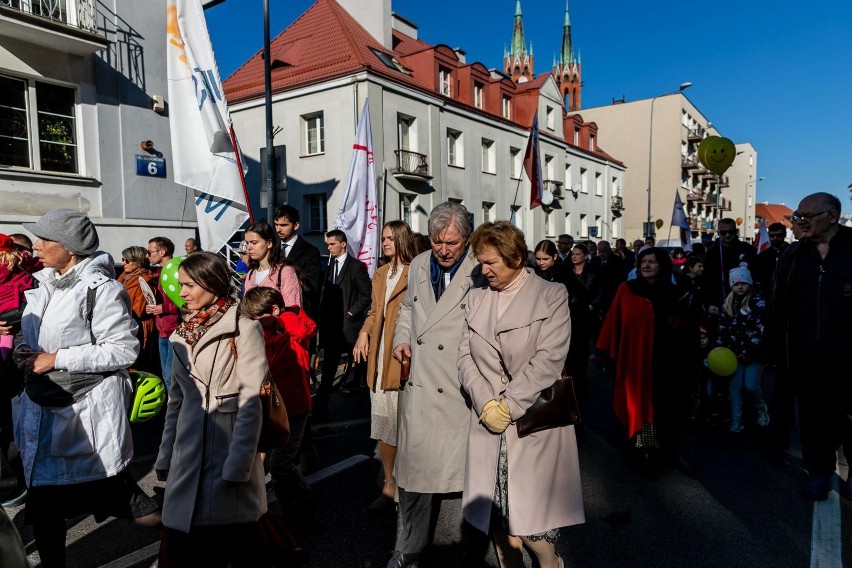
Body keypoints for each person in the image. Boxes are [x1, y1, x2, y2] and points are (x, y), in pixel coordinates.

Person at [14, 208, 159, 567]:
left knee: (126, 503)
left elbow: (124, 348)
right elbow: (38, 337)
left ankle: (199, 537)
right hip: (47, 410)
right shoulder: (45, 283)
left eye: (45, 239)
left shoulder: (102, 288)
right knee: (45, 512)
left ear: (70, 248)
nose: (37, 245)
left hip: (85, 421)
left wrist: (56, 358)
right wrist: (23, 350)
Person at [458, 221, 584, 568]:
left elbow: (550, 359)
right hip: (488, 421)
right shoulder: (477, 295)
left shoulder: (551, 294)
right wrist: (486, 402)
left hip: (532, 419)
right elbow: (465, 354)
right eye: (480, 262)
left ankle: (551, 564)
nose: (483, 271)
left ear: (515, 258)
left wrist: (509, 405)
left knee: (532, 524)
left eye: (490, 263)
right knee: (495, 514)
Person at [387, 202, 486, 568]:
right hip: (421, 386)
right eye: (437, 241)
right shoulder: (418, 264)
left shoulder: (481, 267)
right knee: (413, 476)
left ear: (467, 239)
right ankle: (409, 548)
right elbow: (409, 310)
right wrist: (403, 339)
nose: (443, 250)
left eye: (452, 243)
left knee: (464, 481)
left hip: (459, 387)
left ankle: (468, 553)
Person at [154, 252, 269, 566]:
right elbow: (175, 402)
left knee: (235, 548)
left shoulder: (244, 328)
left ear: (212, 283)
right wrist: (165, 456)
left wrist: (238, 466)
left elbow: (250, 402)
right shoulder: (182, 333)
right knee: (184, 549)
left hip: (227, 454)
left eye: (189, 285)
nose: (183, 293)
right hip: (188, 456)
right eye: (181, 285)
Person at [767, 192, 852, 501]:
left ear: (832, 216)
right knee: (814, 418)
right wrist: (774, 348)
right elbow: (779, 305)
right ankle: (818, 472)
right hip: (807, 354)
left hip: (846, 355)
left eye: (807, 217)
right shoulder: (793, 256)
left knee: (848, 416)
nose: (800, 222)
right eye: (798, 217)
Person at [595, 247, 692, 471]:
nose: (646, 265)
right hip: (634, 362)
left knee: (664, 408)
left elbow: (687, 326)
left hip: (665, 362)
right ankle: (644, 451)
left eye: (652, 261)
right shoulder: (627, 290)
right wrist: (602, 353)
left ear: (663, 266)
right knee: (639, 407)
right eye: (642, 262)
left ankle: (667, 449)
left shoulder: (674, 293)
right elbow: (613, 321)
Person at [241, 286, 316, 543]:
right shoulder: (266, 331)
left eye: (256, 320)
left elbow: (279, 354)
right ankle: (288, 506)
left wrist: (280, 320)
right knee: (276, 461)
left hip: (294, 407)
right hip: (271, 405)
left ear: (274, 311)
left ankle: (303, 499)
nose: (253, 325)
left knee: (280, 464)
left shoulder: (290, 332)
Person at [353, 221, 417, 512]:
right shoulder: (379, 273)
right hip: (379, 357)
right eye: (383, 238)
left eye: (390, 238)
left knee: (404, 424)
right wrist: (363, 332)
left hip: (402, 356)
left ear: (402, 240)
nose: (385, 242)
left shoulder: (416, 271)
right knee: (383, 424)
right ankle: (389, 482)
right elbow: (374, 311)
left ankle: (410, 484)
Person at [315, 229, 371, 421]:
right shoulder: (329, 266)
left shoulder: (356, 267)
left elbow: (366, 294)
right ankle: (321, 411)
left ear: (343, 244)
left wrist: (352, 311)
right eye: (327, 244)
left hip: (351, 328)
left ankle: (367, 411)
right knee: (329, 371)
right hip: (332, 329)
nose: (328, 248)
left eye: (332, 244)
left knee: (361, 369)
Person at [0, 234, 34, 507]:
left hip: (12, 363)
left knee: (12, 428)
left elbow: (29, 322)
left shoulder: (29, 282)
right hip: (11, 362)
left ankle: (20, 483)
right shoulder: (26, 279)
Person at [715, 265, 769, 433]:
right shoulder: (728, 304)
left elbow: (762, 332)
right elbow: (723, 328)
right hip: (734, 353)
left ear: (750, 284)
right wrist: (719, 348)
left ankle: (761, 407)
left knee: (751, 386)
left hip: (754, 354)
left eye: (744, 283)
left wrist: (749, 352)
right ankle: (737, 419)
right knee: (735, 386)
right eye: (736, 284)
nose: (740, 287)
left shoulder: (758, 302)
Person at [561, 243, 602, 399]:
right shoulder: (567, 272)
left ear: (585, 255)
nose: (575, 256)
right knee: (570, 352)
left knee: (582, 352)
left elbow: (600, 291)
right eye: (573, 254)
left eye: (578, 254)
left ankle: (581, 386)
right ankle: (571, 385)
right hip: (570, 315)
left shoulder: (593, 271)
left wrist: (592, 306)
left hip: (586, 316)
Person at [143, 237, 180, 391]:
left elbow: (182, 300)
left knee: (171, 377)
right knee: (166, 375)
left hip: (175, 329)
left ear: (162, 252)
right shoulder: (158, 273)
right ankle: (171, 410)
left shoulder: (177, 270)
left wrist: (162, 308)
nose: (147, 256)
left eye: (149, 252)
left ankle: (176, 411)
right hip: (162, 330)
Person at [274, 205, 321, 320]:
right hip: (273, 312)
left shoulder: (310, 251)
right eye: (276, 224)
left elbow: (312, 286)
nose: (278, 229)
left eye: (283, 225)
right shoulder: (272, 249)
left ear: (296, 225)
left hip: (297, 312)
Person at [242, 221, 303, 308]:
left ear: (269, 243)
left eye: (254, 243)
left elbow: (293, 310)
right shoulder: (250, 274)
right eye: (247, 243)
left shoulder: (285, 272)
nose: (249, 247)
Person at [117, 246, 159, 373]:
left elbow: (137, 311)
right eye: (123, 259)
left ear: (137, 261)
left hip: (139, 329)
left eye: (127, 260)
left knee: (136, 369)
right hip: (124, 326)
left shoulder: (144, 282)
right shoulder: (124, 278)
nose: (124, 263)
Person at [703, 218, 758, 314]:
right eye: (723, 233)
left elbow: (756, 275)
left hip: (745, 301)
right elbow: (707, 279)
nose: (727, 235)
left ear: (736, 232)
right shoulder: (712, 252)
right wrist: (710, 302)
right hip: (719, 301)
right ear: (718, 233)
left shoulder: (748, 249)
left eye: (731, 232)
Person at [753, 222, 788, 296]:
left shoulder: (792, 252)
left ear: (785, 235)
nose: (775, 238)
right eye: (772, 235)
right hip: (768, 294)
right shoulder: (762, 256)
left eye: (779, 235)